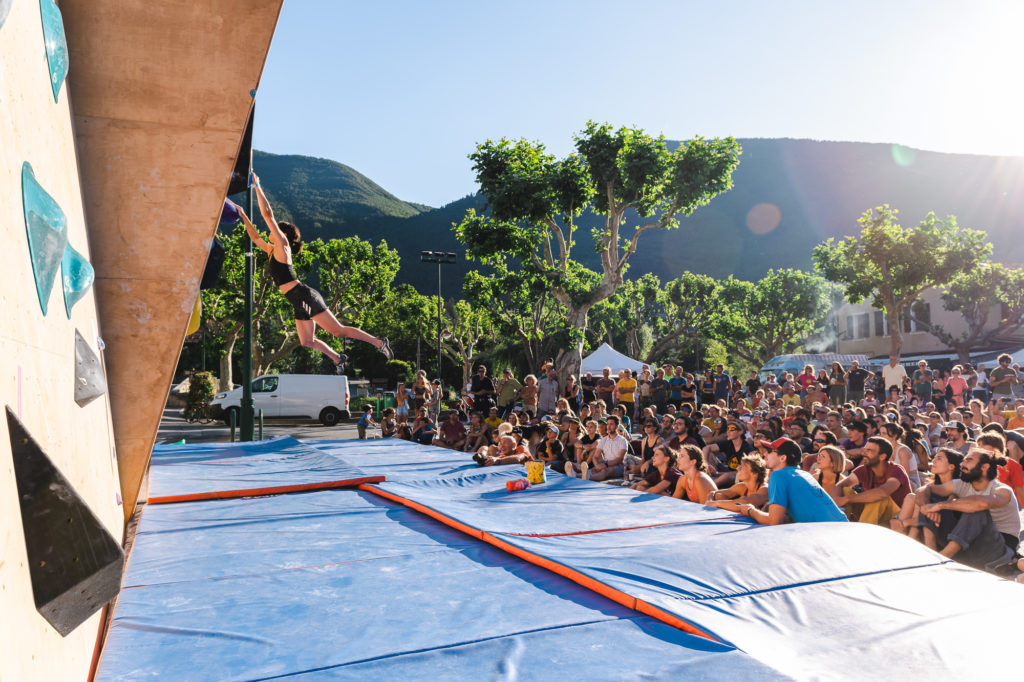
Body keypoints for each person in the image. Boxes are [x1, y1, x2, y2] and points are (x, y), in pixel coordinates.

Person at [240, 179, 392, 372]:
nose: (272, 230)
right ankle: (338, 358)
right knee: (306, 341)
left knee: (337, 331)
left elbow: (268, 215)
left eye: (277, 229)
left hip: (303, 296)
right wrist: (243, 214)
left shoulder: (283, 246)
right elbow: (254, 237)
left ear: (283, 234)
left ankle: (378, 343)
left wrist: (257, 187)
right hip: (297, 300)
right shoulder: (271, 251)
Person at [917, 448, 1020, 570]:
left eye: (968, 460)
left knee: (976, 511)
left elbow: (980, 504)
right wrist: (925, 506)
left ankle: (941, 560)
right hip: (967, 543)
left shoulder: (1002, 489)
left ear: (984, 467)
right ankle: (932, 554)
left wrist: (941, 505)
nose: (961, 464)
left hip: (998, 548)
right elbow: (924, 490)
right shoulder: (961, 484)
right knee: (930, 502)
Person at [740, 438, 847, 524]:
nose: (764, 455)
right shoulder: (804, 474)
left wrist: (750, 511)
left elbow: (774, 521)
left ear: (782, 458)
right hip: (841, 527)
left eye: (769, 451)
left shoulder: (778, 475)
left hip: (826, 534)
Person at [830, 436, 911, 526]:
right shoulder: (864, 469)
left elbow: (883, 493)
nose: (864, 453)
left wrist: (847, 499)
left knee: (879, 498)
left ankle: (863, 534)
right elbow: (839, 486)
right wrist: (839, 504)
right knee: (846, 490)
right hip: (872, 512)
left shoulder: (896, 470)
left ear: (882, 457)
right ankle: (840, 525)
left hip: (896, 517)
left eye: (869, 451)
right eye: (865, 449)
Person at [702, 419, 753, 487]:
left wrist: (718, 474)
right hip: (727, 469)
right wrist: (706, 464)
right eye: (728, 429)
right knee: (709, 454)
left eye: (732, 429)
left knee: (726, 476)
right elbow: (706, 448)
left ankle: (706, 487)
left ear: (740, 432)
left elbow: (744, 472)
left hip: (739, 475)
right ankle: (709, 475)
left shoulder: (747, 448)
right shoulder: (729, 443)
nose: (728, 432)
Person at [585, 415, 629, 481]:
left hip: (618, 465)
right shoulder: (603, 439)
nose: (608, 426)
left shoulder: (622, 440)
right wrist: (597, 465)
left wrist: (604, 465)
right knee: (591, 470)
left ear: (617, 426)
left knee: (604, 471)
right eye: (608, 424)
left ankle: (586, 477)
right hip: (605, 462)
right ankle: (576, 475)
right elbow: (595, 456)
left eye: (611, 424)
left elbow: (619, 459)